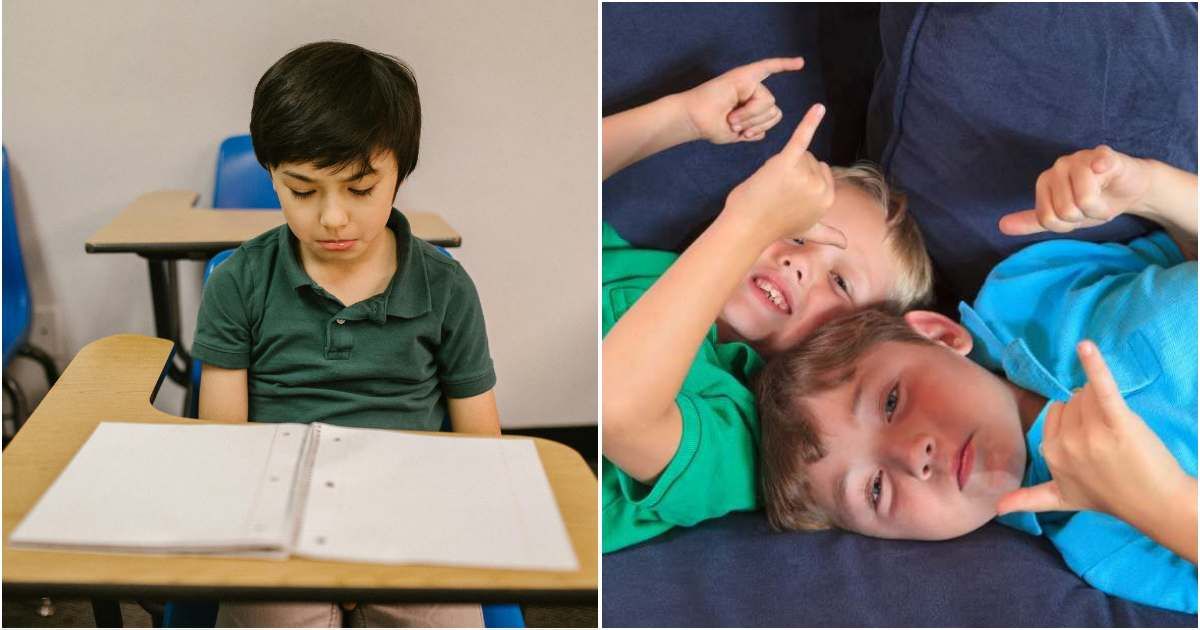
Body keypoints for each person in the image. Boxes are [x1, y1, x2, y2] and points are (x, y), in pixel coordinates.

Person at [757, 145, 1197, 613]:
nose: (912, 457)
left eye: (890, 403)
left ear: (940, 335)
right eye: (876, 489)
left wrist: (1150, 191)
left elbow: (1179, 248)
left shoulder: (1024, 290)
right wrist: (1163, 503)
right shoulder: (1106, 548)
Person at [192, 41, 497, 628]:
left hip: (413, 521)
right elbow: (225, 447)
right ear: (272, 177)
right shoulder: (239, 282)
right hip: (280, 520)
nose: (332, 217)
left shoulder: (446, 288)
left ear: (399, 174)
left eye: (360, 189)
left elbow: (480, 445)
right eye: (303, 191)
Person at [602, 57, 934, 552]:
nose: (797, 263)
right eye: (794, 231)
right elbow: (547, 184)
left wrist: (750, 225)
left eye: (840, 283)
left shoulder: (750, 438)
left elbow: (619, 411)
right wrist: (682, 118)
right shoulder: (654, 267)